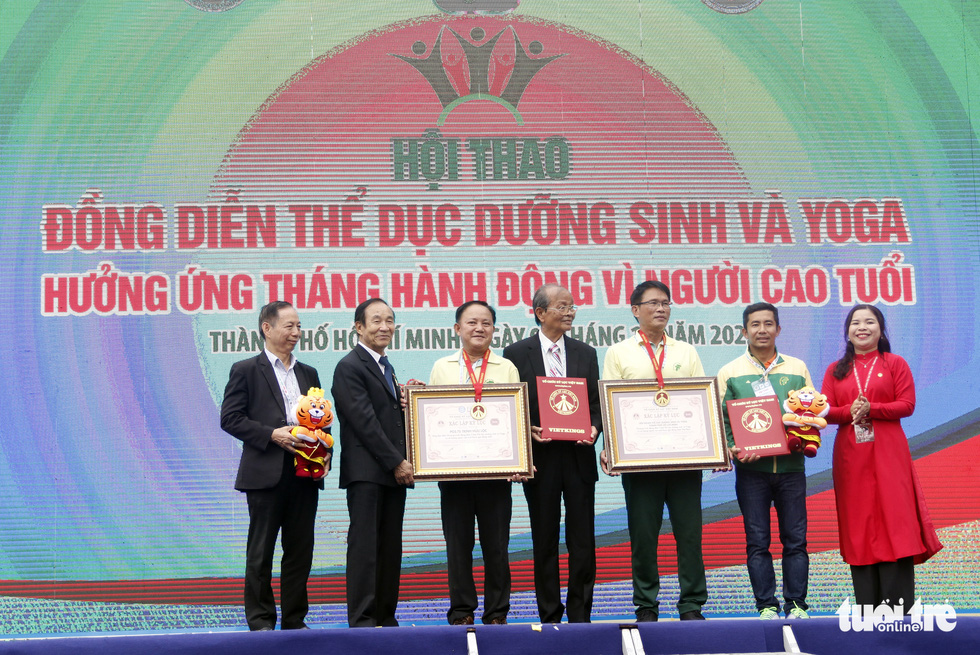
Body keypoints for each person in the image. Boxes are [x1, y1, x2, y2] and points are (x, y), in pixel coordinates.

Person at [820, 304, 942, 612]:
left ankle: (898, 609)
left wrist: (872, 409)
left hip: (889, 451)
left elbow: (907, 404)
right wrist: (850, 412)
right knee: (859, 524)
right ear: (847, 331)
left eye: (869, 322)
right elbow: (825, 411)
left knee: (895, 519)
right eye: (855, 323)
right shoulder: (836, 370)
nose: (862, 327)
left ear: (881, 328)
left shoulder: (894, 363)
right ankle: (867, 610)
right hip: (851, 456)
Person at [602, 281, 708, 622]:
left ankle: (691, 604)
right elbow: (609, 406)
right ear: (635, 310)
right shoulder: (618, 353)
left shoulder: (686, 351)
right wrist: (610, 448)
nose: (661, 309)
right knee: (643, 536)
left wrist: (712, 448)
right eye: (653, 303)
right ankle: (646, 604)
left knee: (689, 534)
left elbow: (699, 403)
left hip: (683, 462)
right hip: (639, 462)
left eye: (666, 303)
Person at [220, 301, 326, 631]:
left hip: (304, 475)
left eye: (298, 326)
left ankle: (295, 620)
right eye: (289, 326)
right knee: (261, 552)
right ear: (267, 328)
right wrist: (271, 435)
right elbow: (230, 418)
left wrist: (323, 449)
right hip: (265, 474)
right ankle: (261, 620)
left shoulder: (308, 373)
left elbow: (321, 419)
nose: (296, 332)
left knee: (300, 552)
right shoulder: (245, 369)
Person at [503, 284, 601, 623]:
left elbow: (595, 405)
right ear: (541, 312)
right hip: (540, 459)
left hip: (578, 457)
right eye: (562, 306)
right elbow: (510, 404)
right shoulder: (515, 353)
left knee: (583, 540)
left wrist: (595, 428)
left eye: (572, 306)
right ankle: (549, 614)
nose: (570, 311)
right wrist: (526, 431)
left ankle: (580, 614)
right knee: (544, 539)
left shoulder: (586, 353)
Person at [716, 302, 812, 620]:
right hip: (751, 471)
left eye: (768, 324)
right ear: (744, 332)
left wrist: (798, 438)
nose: (762, 330)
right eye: (754, 325)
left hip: (790, 469)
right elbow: (720, 420)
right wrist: (733, 448)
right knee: (757, 540)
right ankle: (766, 605)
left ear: (778, 329)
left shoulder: (797, 368)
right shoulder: (730, 372)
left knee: (795, 539)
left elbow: (810, 414)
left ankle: (796, 603)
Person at [429, 300, 520, 625]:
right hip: (454, 475)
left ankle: (497, 613)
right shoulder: (442, 367)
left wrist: (518, 458)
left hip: (496, 475)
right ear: (457, 329)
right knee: (458, 546)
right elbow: (434, 419)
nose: (479, 328)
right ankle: (461, 612)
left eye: (486, 323)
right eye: (471, 323)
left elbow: (515, 419)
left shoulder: (506, 368)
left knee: (497, 547)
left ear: (494, 329)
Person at [332, 298, 414, 627]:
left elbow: (387, 417)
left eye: (390, 320)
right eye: (376, 320)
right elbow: (364, 421)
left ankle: (385, 617)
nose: (385, 327)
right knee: (365, 549)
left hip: (393, 475)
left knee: (390, 549)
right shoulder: (349, 366)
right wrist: (397, 461)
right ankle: (364, 621)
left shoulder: (387, 367)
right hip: (368, 473)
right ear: (359, 327)